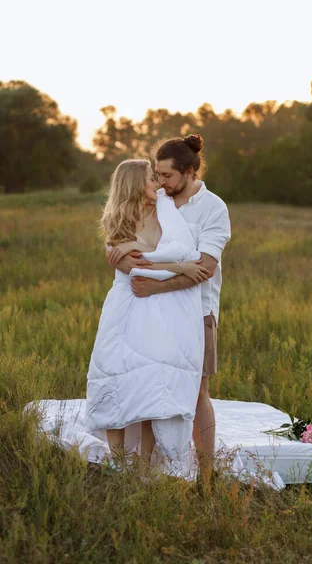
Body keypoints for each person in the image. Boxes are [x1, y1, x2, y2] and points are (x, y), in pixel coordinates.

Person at [109, 134, 231, 473]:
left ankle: (205, 473)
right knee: (148, 382)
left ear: (190, 172)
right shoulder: (156, 198)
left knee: (197, 390)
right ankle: (152, 463)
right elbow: (122, 232)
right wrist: (115, 252)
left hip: (197, 311)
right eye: (157, 175)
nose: (160, 182)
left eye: (167, 176)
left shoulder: (213, 209)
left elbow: (205, 268)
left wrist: (155, 287)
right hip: (149, 313)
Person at [85, 158, 211, 474]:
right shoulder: (118, 220)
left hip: (156, 306)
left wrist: (166, 259)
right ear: (135, 183)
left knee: (150, 382)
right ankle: (118, 460)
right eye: (151, 178)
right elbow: (132, 266)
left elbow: (164, 253)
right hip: (126, 305)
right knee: (116, 376)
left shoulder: (164, 212)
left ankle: (143, 462)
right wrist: (180, 266)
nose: (157, 183)